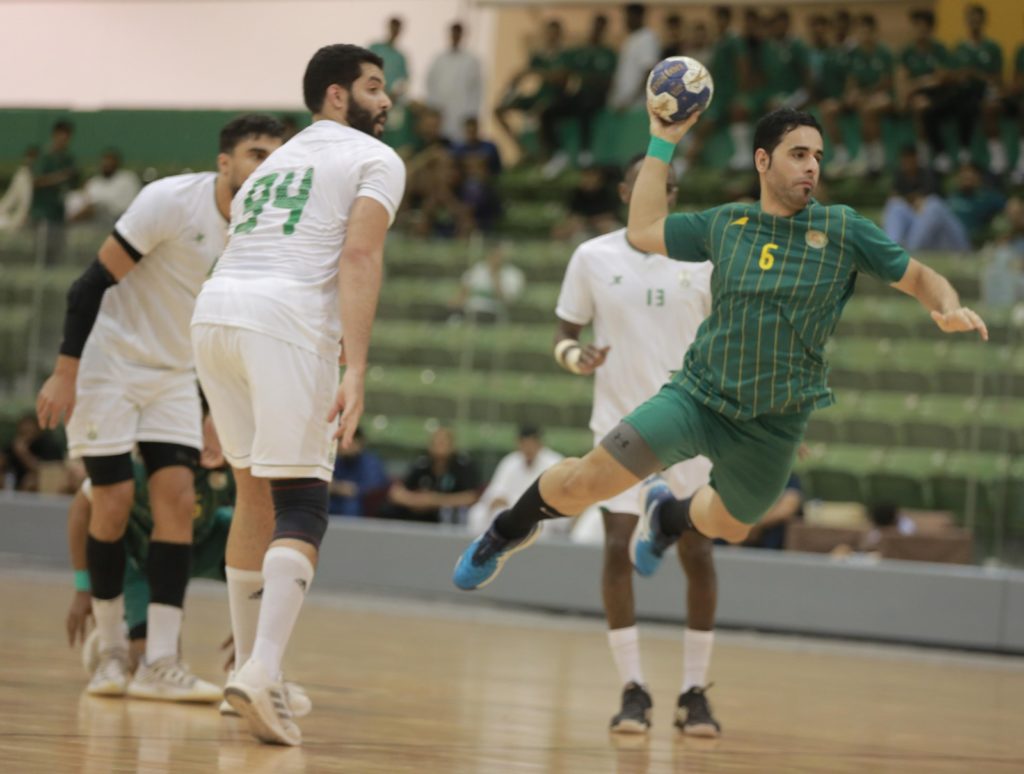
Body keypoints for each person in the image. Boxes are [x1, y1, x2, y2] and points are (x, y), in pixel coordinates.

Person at [453, 106, 987, 607]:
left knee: (732, 524)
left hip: (774, 423)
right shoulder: (727, 224)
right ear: (763, 161)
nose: (812, 166)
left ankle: (668, 520)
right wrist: (662, 140)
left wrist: (947, 306)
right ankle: (504, 532)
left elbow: (921, 277)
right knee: (586, 481)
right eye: (799, 154)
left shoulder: (843, 228)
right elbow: (643, 229)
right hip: (697, 399)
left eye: (818, 156)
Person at [191, 44, 404, 746]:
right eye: (374, 87)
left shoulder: (272, 163)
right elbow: (360, 254)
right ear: (336, 95)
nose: (387, 100)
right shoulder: (375, 159)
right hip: (285, 322)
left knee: (252, 494)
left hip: (215, 314)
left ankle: (255, 673)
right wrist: (356, 367)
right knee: (303, 503)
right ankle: (260, 670)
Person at [35, 114, 284, 701]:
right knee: (113, 501)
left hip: (175, 372)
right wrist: (66, 372)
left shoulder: (264, 230)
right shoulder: (170, 203)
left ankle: (162, 662)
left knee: (176, 498)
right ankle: (111, 651)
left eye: (277, 157)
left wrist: (215, 407)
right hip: (109, 364)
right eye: (256, 154)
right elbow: (88, 285)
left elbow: (229, 327)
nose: (266, 167)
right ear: (225, 163)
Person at [553, 156, 720, 736]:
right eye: (648, 184)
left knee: (697, 551)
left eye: (669, 186)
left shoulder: (702, 259)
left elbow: (724, 340)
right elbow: (565, 334)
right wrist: (575, 357)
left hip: (690, 426)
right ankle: (633, 689)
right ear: (626, 191)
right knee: (617, 549)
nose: (660, 193)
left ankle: (694, 692)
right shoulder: (592, 257)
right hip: (619, 428)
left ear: (674, 194)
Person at [65, 419, 314, 716]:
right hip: (142, 562)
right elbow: (81, 509)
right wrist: (83, 587)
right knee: (148, 655)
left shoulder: (227, 464)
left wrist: (251, 620)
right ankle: (118, 641)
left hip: (204, 544)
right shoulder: (147, 465)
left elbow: (260, 521)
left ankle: (256, 669)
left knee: (254, 537)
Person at [467, 426, 564, 533]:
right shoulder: (510, 461)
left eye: (531, 444)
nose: (528, 448)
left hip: (540, 510)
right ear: (518, 443)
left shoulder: (554, 462)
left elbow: (554, 497)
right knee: (478, 513)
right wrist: (497, 499)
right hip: (511, 507)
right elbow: (497, 490)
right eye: (524, 444)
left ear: (539, 443)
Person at [834, 14, 894, 177]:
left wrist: (865, 94)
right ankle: (852, 155)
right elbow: (852, 80)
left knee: (868, 109)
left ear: (874, 32)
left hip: (884, 96)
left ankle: (877, 157)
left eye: (867, 32)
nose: (864, 36)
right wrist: (851, 94)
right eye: (860, 32)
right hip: (865, 97)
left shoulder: (884, 52)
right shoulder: (855, 54)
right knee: (852, 106)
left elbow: (886, 82)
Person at [381, 427, 480, 524]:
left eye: (443, 442)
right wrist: (417, 501)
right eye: (435, 442)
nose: (439, 446)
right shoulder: (422, 464)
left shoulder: (463, 466)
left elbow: (471, 497)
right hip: (417, 516)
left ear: (452, 445)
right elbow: (396, 493)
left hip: (451, 520)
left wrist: (433, 500)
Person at [902, 9, 957, 171]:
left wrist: (919, 82)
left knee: (927, 106)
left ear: (931, 29)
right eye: (917, 26)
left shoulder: (939, 49)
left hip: (939, 93)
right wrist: (916, 87)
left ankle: (938, 153)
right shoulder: (907, 52)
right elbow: (903, 78)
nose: (920, 30)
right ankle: (924, 152)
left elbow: (942, 78)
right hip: (916, 94)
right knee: (919, 104)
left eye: (924, 27)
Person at [954, 5, 1007, 174]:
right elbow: (954, 74)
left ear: (984, 22)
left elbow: (997, 79)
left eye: (977, 20)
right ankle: (964, 153)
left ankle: (997, 156)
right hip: (965, 93)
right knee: (957, 102)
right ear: (966, 22)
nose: (974, 23)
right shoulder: (960, 48)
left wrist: (975, 74)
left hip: (987, 92)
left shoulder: (993, 47)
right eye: (971, 20)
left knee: (988, 107)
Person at [31, 120, 78, 263]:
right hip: (43, 212)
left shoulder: (68, 158)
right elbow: (36, 181)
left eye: (67, 137)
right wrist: (60, 177)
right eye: (61, 136)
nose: (63, 140)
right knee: (40, 253)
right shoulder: (44, 156)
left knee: (57, 253)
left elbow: (73, 183)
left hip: (59, 212)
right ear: (54, 135)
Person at [426, 22, 483, 142]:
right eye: (453, 34)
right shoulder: (439, 59)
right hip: (441, 117)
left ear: (462, 35)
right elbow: (430, 85)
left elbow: (477, 90)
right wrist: (433, 112)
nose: (455, 36)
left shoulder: (471, 61)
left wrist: (472, 115)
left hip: (462, 116)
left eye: (458, 34)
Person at [448, 242, 525, 323]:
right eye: (494, 253)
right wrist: (457, 301)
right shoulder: (479, 268)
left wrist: (495, 275)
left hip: (493, 313)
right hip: (469, 310)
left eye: (499, 255)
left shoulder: (514, 274)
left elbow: (506, 301)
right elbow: (464, 290)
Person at [607, 4, 660, 113]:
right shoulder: (631, 38)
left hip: (636, 106)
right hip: (622, 104)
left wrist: (630, 100)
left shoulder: (647, 38)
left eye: (629, 17)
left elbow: (649, 73)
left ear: (638, 17)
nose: (626, 20)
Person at [328, 426, 390, 517]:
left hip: (361, 506)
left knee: (350, 505)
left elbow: (373, 488)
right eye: (340, 440)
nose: (342, 445)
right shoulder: (337, 461)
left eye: (348, 441)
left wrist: (350, 489)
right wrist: (339, 488)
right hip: (335, 501)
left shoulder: (370, 462)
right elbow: (328, 485)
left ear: (360, 442)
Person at [69, 149, 142, 225]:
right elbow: (87, 201)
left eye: (110, 163)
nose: (107, 166)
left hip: (120, 220)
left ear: (117, 163)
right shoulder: (94, 182)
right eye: (105, 163)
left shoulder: (128, 179)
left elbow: (131, 205)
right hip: (93, 222)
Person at [369, 17, 410, 103]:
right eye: (393, 28)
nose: (394, 31)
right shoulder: (375, 48)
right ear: (389, 28)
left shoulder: (400, 58)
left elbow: (404, 81)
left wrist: (394, 95)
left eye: (396, 29)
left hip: (390, 101)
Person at [0, 146, 38, 232]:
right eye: (30, 157)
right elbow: (12, 197)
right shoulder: (22, 175)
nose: (30, 160)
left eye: (33, 157)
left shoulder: (34, 174)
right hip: (16, 218)